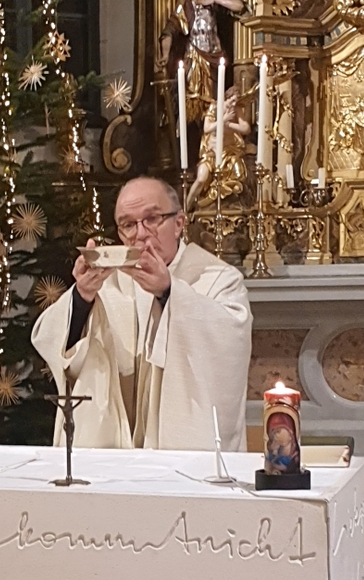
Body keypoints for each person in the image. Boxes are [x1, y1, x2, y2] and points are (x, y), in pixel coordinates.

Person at [32, 176, 252, 452]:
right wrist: (83, 296)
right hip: (114, 455)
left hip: (183, 455)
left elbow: (231, 347)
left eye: (152, 219)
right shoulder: (106, 282)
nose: (141, 233)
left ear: (179, 224)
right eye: (128, 224)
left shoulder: (218, 278)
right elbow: (52, 341)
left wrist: (169, 292)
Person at [157, 0, 245, 123]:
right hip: (195, 57)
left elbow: (239, 6)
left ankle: (212, 130)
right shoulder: (183, 4)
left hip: (214, 56)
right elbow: (170, 29)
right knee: (194, 100)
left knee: (214, 99)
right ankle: (195, 131)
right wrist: (165, 54)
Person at [186, 86, 250, 209]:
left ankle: (226, 204)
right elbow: (207, 128)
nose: (234, 104)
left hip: (229, 152)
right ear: (226, 98)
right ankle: (186, 207)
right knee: (201, 179)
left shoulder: (236, 110)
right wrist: (223, 120)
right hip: (212, 153)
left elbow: (246, 129)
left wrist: (229, 124)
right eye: (232, 100)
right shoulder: (215, 107)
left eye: (236, 101)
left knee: (240, 176)